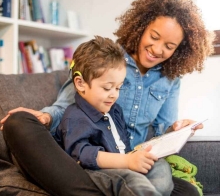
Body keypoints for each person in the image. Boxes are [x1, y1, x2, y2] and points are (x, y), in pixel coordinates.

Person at [1, 0, 215, 196]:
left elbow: (159, 136)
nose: (158, 49)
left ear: (180, 49)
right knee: (19, 123)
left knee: (187, 191)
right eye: (154, 36)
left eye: (169, 46)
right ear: (142, 27)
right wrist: (45, 116)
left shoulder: (170, 78)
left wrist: (176, 131)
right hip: (92, 162)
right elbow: (68, 106)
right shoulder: (106, 59)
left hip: (132, 161)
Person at [54, 36, 174, 196]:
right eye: (107, 88)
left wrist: (138, 157)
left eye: (118, 88)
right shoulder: (74, 116)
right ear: (81, 83)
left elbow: (124, 144)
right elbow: (83, 154)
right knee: (130, 181)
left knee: (160, 166)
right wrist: (127, 162)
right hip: (97, 173)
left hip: (125, 165)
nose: (114, 95)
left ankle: (147, 191)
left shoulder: (114, 110)